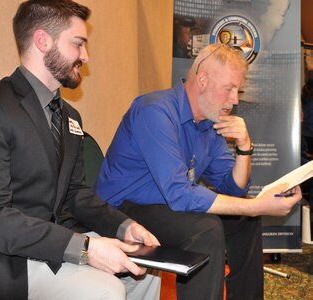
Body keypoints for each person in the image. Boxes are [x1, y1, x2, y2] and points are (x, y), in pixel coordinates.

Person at [0, 1, 162, 299]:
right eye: (78, 44)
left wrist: (123, 225)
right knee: (105, 291)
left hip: (51, 243)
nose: (85, 55)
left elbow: (75, 192)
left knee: (146, 270)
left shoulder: (70, 117)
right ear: (43, 40)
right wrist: (85, 249)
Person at [95, 43, 302, 300]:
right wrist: (257, 206)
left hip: (165, 206)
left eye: (238, 90)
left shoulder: (208, 122)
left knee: (245, 221)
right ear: (202, 80)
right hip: (121, 210)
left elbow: (234, 188)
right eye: (229, 89)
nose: (235, 99)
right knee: (206, 229)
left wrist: (245, 148)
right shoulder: (155, 110)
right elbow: (180, 194)